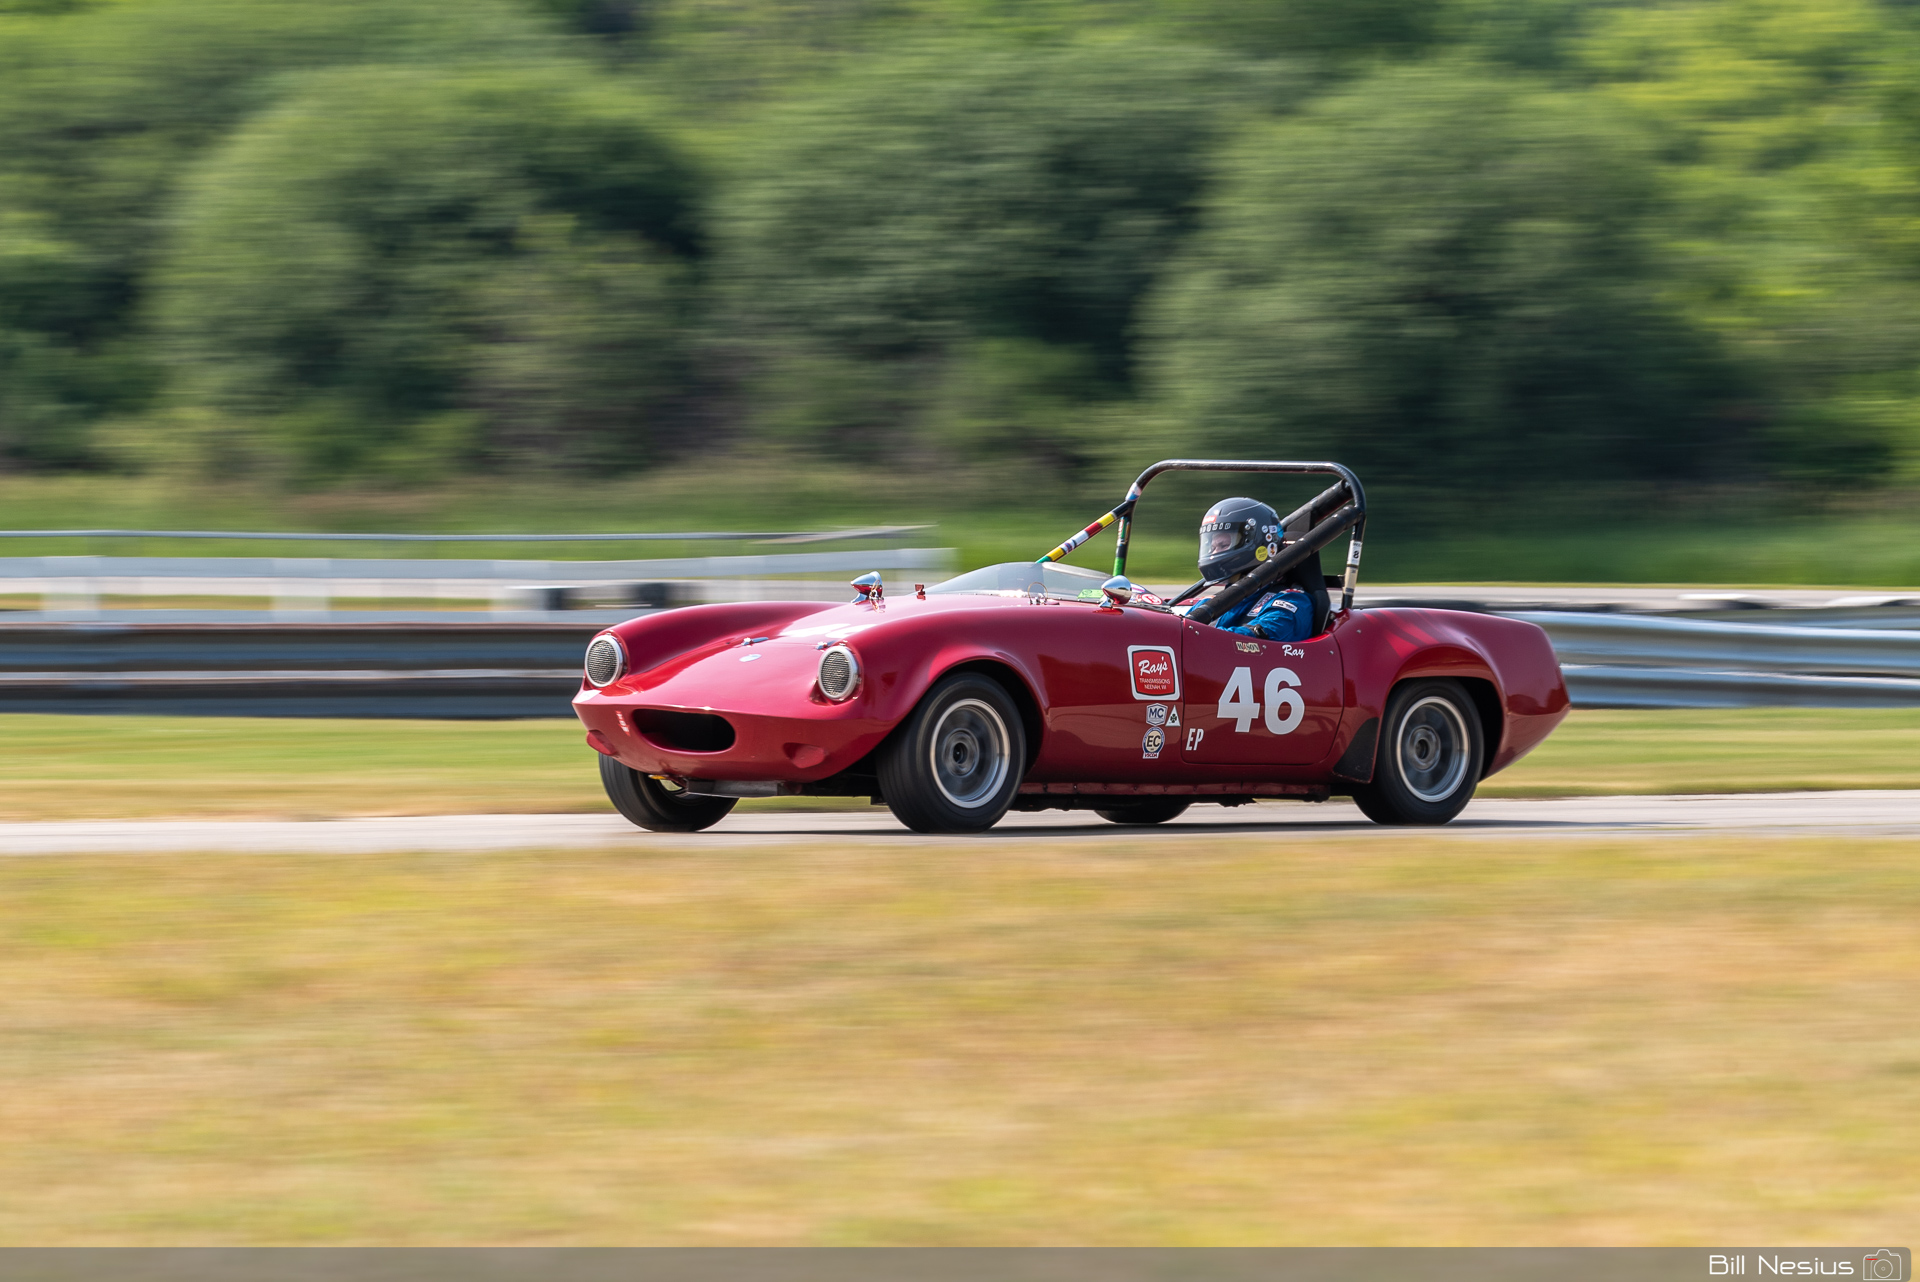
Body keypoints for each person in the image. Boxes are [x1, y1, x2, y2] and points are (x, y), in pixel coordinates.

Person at [1196, 497, 1315, 642]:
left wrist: (1196, 635)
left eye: (1223, 545)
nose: (1214, 554)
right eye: (1212, 547)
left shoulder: (1292, 602)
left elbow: (1252, 641)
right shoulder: (1211, 602)